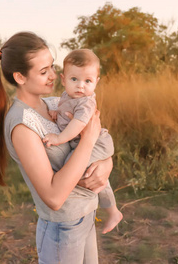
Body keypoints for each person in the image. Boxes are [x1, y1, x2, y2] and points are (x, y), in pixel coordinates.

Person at [0, 32, 113, 263]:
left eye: (51, 66)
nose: (53, 76)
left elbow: (97, 139)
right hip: (63, 229)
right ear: (20, 77)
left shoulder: (54, 103)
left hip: (87, 214)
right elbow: (54, 197)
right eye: (43, 72)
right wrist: (88, 141)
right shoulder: (22, 124)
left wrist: (106, 164)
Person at [42, 49, 123, 234]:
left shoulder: (86, 102)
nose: (81, 86)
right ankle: (113, 211)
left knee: (76, 167)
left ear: (96, 82)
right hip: (84, 142)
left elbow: (78, 124)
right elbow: (66, 114)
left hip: (97, 142)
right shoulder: (66, 97)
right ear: (63, 80)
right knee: (92, 171)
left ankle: (109, 209)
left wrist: (59, 138)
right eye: (74, 79)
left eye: (88, 81)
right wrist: (57, 114)